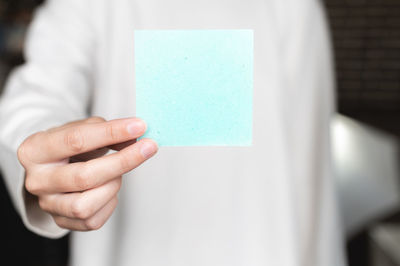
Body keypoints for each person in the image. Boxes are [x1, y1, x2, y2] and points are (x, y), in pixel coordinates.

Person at [0, 0, 346, 265]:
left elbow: (311, 167)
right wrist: (46, 149)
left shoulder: (293, 8)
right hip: (128, 251)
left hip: (263, 248)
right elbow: (39, 94)